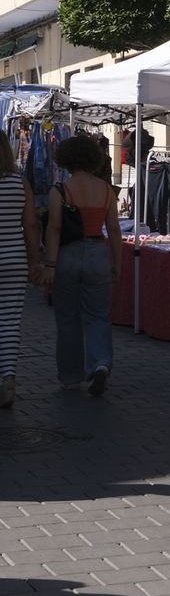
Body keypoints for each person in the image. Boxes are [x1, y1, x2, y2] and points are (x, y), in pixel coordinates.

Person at [43, 136, 121, 397]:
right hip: (98, 253)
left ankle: (69, 376)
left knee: (67, 317)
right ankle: (100, 363)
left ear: (65, 159)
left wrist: (50, 264)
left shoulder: (60, 190)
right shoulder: (106, 190)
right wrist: (117, 263)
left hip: (68, 255)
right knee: (98, 315)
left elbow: (54, 228)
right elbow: (114, 229)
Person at [0, 135, 42, 409]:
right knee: (10, 321)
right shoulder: (20, 183)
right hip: (14, 259)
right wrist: (35, 260)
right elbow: (30, 225)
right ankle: (8, 379)